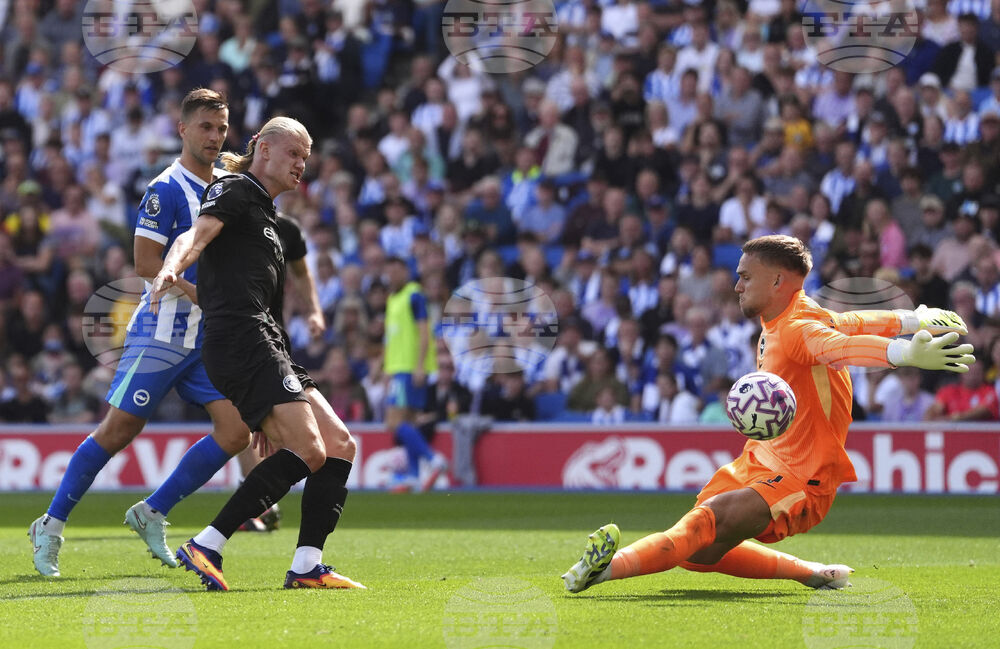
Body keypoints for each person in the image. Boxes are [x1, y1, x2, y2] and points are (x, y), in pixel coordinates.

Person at [561, 235, 975, 593]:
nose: (736, 285)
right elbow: (849, 321)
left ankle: (599, 572)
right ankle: (814, 573)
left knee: (703, 525)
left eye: (745, 276)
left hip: (801, 478)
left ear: (777, 280)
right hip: (759, 461)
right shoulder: (786, 315)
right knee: (698, 552)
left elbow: (839, 347)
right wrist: (909, 318)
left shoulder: (797, 329)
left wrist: (903, 352)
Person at [27, 89, 253, 578]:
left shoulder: (226, 186)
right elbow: (146, 263)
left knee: (236, 432)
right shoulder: (166, 189)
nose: (215, 136)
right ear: (183, 129)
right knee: (118, 430)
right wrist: (200, 296)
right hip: (161, 333)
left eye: (221, 127)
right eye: (206, 127)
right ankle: (50, 525)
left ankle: (152, 510)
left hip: (206, 340)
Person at [148, 116, 363, 591]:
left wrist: (273, 400)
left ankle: (308, 564)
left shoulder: (269, 220)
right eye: (294, 154)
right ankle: (208, 543)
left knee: (339, 445)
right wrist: (172, 267)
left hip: (265, 343)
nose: (301, 164)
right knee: (307, 449)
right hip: (241, 343)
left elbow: (231, 294)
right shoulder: (237, 190)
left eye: (306, 158)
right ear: (263, 149)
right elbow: (194, 237)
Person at [383, 255, 448, 492]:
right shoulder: (393, 299)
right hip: (397, 368)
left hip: (408, 368)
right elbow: (393, 338)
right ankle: (412, 474)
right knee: (409, 422)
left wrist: (420, 365)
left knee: (393, 422)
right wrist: (386, 368)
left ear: (404, 270)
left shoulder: (414, 294)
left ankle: (433, 459)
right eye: (388, 270)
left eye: (395, 269)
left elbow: (424, 332)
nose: (391, 274)